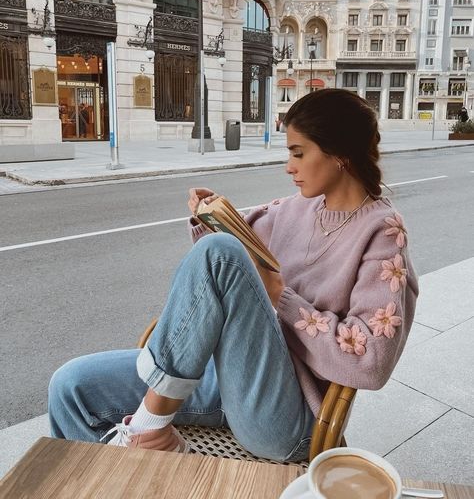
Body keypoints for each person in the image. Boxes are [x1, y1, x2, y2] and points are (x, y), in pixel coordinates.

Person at [48, 89, 418, 461]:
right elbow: (223, 263)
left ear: (340, 155)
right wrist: (209, 215)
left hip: (289, 416)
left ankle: (148, 424)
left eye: (298, 153)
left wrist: (281, 298)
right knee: (71, 385)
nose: (289, 166)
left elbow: (371, 364)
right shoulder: (294, 209)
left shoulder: (382, 233)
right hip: (226, 377)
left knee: (221, 254)